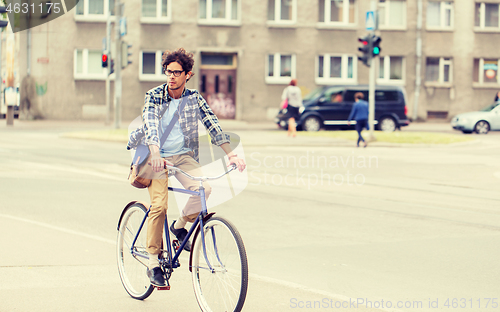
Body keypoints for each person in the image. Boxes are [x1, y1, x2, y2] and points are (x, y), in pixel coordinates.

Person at [127, 48, 246, 287]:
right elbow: (150, 124)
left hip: (182, 156)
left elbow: (213, 125)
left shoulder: (194, 98)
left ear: (187, 74)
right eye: (168, 71)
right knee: (159, 205)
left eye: (176, 72)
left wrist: (231, 154)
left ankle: (179, 226)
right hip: (156, 157)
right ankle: (152, 262)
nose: (171, 76)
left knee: (206, 189)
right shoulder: (153, 96)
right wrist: (156, 153)